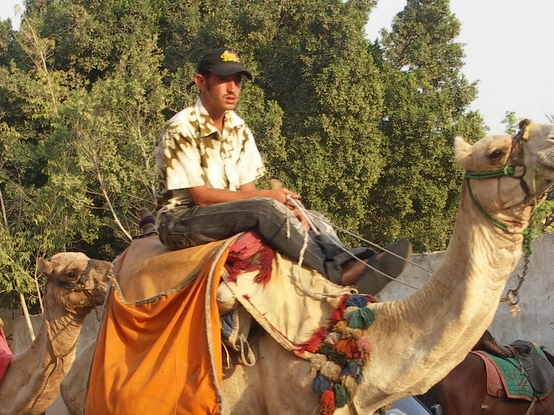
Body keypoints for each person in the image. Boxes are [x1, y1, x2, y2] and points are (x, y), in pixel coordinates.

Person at [153, 47, 410, 296]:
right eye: (223, 80)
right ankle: (334, 273)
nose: (233, 89)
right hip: (181, 220)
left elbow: (247, 192)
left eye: (238, 81)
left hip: (223, 213)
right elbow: (201, 197)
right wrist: (268, 200)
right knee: (264, 209)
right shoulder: (181, 128)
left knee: (308, 215)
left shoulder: (238, 128)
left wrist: (285, 210)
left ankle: (359, 258)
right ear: (201, 82)